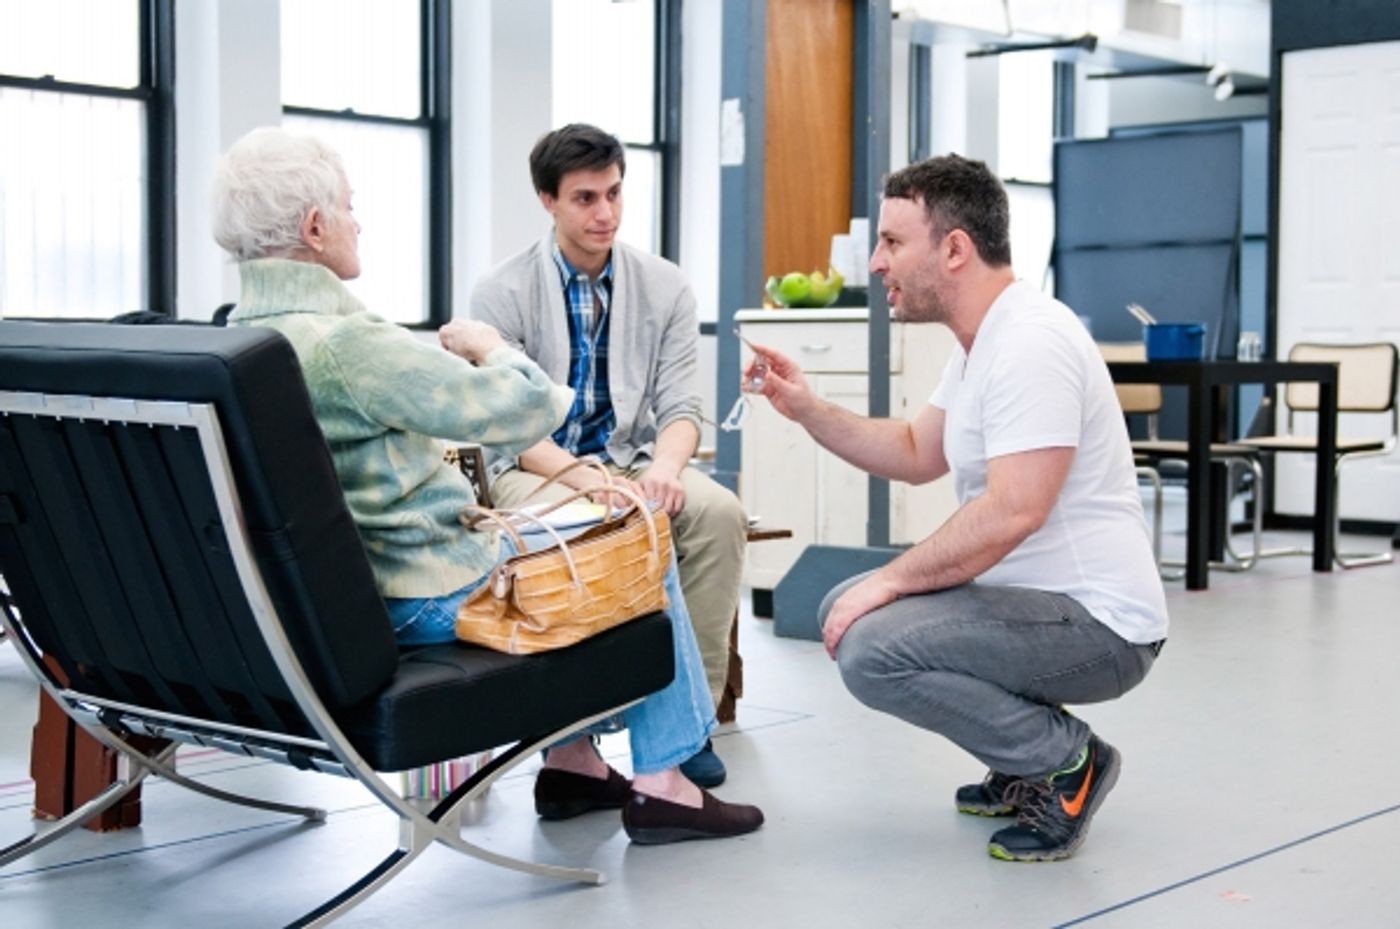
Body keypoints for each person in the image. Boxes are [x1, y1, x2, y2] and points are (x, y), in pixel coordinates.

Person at [211, 126, 762, 845]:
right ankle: (665, 780)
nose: (359, 221)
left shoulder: (238, 335)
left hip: (342, 595)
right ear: (315, 228)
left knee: (630, 525)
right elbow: (527, 405)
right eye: (349, 207)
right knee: (640, 545)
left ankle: (575, 766)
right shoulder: (348, 345)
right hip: (434, 591)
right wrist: (485, 347)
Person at [742, 154, 1168, 862]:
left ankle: (1063, 762)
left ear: (955, 249)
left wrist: (891, 578)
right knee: (847, 608)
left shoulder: (1032, 342)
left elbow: (1012, 512)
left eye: (892, 242)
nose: (877, 262)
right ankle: (1023, 759)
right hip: (1037, 606)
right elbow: (915, 450)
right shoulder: (978, 344)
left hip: (1101, 623)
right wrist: (807, 409)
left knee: (872, 645)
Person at [470, 123, 747, 787]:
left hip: (629, 458)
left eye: (615, 194)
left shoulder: (667, 287)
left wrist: (665, 469)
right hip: (535, 468)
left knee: (716, 514)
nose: (606, 214)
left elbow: (681, 409)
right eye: (586, 198)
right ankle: (571, 745)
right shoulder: (500, 293)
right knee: (593, 530)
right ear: (548, 201)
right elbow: (507, 429)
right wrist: (580, 478)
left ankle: (690, 725)